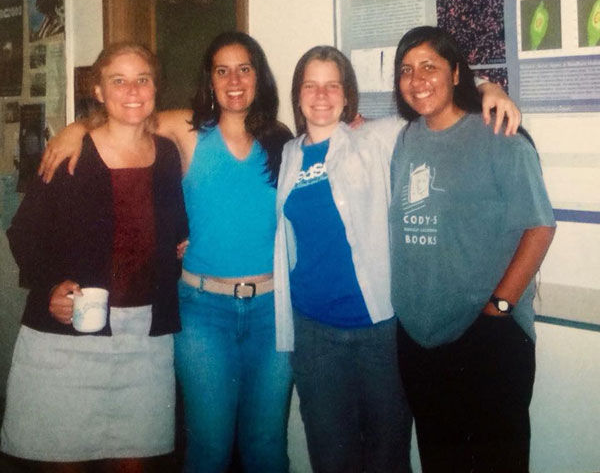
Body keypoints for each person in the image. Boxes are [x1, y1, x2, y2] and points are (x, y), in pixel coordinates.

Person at [37, 31, 294, 473]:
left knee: (268, 447)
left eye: (244, 68)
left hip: (273, 311)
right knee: (209, 447)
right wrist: (77, 127)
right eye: (222, 70)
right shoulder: (186, 127)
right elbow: (128, 118)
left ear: (259, 78)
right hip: (203, 312)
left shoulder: (282, 139)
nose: (234, 79)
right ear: (209, 81)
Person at [273, 45, 521, 473]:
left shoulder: (381, 136)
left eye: (332, 85)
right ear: (297, 95)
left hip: (380, 333)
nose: (321, 95)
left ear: (347, 96)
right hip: (315, 334)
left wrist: (487, 86)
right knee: (332, 460)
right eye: (310, 85)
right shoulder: (289, 155)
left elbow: (434, 100)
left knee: (388, 459)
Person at [1, 42, 188, 472]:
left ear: (156, 87)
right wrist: (50, 285)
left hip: (146, 339)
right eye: (118, 80)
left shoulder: (168, 158)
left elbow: (173, 226)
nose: (132, 90)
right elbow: (24, 231)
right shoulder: (72, 154)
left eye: (143, 78)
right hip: (68, 337)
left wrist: (185, 244)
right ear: (99, 92)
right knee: (61, 461)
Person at [388, 26, 556, 473]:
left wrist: (499, 306)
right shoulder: (405, 141)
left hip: (487, 339)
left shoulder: (499, 133)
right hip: (420, 340)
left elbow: (540, 225)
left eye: (429, 66)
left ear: (456, 72)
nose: (417, 79)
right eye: (406, 70)